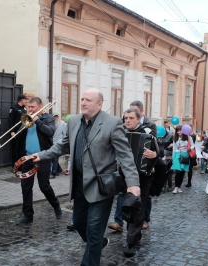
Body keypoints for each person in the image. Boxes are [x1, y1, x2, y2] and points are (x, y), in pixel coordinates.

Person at [26, 88, 141, 266]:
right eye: (82, 99)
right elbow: (63, 146)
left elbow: (125, 155)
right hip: (79, 184)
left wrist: (133, 184)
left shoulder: (112, 123)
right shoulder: (73, 121)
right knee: (79, 223)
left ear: (99, 104)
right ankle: (98, 244)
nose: (83, 103)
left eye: (88, 100)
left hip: (101, 185)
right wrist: (41, 155)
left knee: (94, 230)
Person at [115, 108, 158, 257]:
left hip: (143, 177)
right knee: (126, 204)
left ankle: (131, 241)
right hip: (124, 175)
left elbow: (160, 152)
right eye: (125, 117)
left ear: (138, 119)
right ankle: (134, 233)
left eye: (131, 118)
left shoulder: (148, 134)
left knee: (138, 206)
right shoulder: (119, 133)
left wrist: (155, 154)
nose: (127, 120)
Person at [14, 97, 62, 225]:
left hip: (43, 157)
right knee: (26, 187)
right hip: (28, 158)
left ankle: (56, 205)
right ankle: (28, 216)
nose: (29, 109)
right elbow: (19, 137)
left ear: (40, 107)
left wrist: (37, 121)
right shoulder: (26, 119)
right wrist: (20, 128)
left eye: (32, 107)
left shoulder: (48, 118)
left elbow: (50, 132)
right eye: (28, 107)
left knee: (44, 186)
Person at [171, 125, 195, 193]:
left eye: (180, 130)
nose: (179, 132)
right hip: (177, 155)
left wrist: (190, 148)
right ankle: (176, 187)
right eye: (178, 131)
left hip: (185, 155)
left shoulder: (188, 137)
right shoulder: (175, 138)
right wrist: (173, 157)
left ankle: (179, 187)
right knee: (178, 171)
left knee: (182, 172)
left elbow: (193, 145)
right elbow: (174, 148)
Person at [8, 94, 27, 168]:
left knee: (22, 149)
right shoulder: (14, 108)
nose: (25, 101)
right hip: (16, 131)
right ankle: (15, 166)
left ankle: (21, 165)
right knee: (15, 149)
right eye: (25, 99)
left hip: (23, 131)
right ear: (22, 100)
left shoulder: (24, 108)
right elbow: (10, 120)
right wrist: (12, 131)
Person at [50, 113, 67, 179]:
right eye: (54, 117)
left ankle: (53, 173)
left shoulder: (63, 124)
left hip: (59, 143)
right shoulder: (51, 123)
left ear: (58, 117)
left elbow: (65, 134)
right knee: (52, 158)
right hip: (52, 142)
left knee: (55, 158)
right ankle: (58, 169)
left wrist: (63, 142)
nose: (55, 118)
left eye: (56, 116)